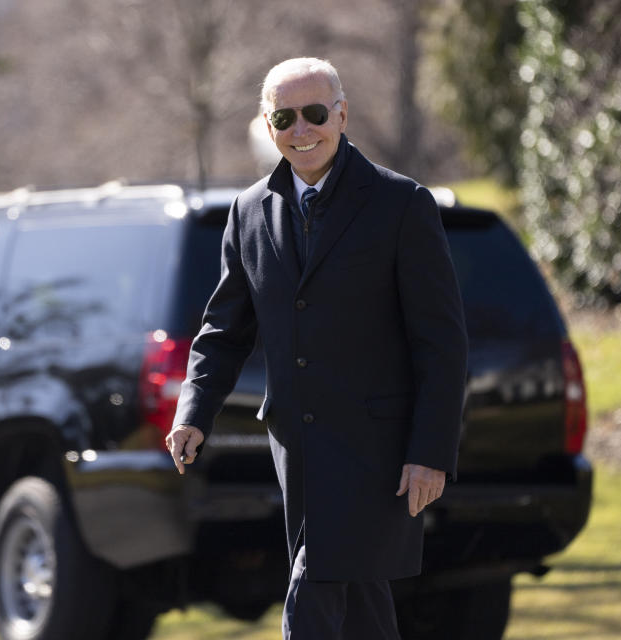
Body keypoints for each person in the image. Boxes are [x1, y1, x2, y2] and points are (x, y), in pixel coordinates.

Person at [165, 57, 468, 639]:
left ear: (342, 114)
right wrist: (193, 413)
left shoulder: (400, 204)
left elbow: (441, 341)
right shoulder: (249, 211)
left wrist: (431, 450)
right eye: (285, 117)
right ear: (267, 123)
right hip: (298, 448)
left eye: (314, 114)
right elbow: (224, 331)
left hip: (378, 452)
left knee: (317, 584)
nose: (301, 130)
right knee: (358, 603)